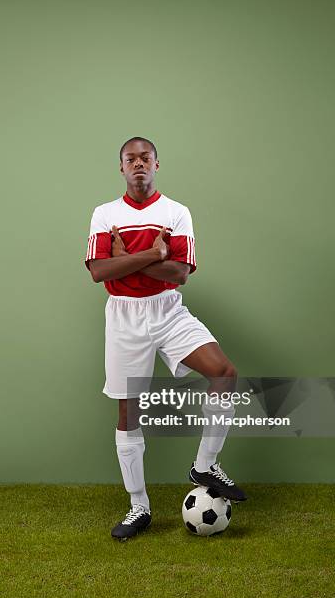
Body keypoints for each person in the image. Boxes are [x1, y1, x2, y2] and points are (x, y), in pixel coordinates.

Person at [85, 137, 246, 541]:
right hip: (124, 318)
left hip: (167, 309)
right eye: (130, 159)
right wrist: (154, 255)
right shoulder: (104, 214)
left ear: (157, 164)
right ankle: (139, 507)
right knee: (128, 415)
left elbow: (180, 275)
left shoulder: (176, 212)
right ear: (120, 167)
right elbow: (99, 272)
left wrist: (127, 260)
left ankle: (205, 465)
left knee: (224, 373)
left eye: (145, 158)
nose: (138, 164)